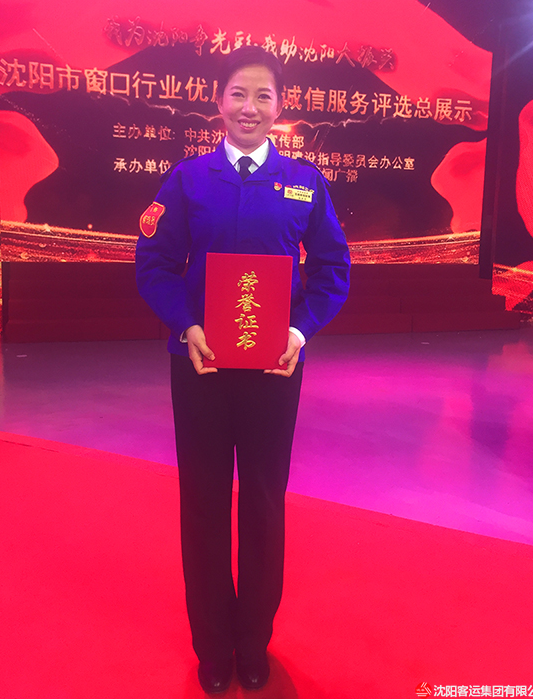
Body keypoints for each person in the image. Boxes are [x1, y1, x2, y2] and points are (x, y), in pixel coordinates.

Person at [136, 46, 350, 694]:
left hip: (273, 370)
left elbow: (333, 270)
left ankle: (253, 641)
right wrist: (186, 324)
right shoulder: (187, 179)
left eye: (263, 95)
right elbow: (154, 264)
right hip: (198, 364)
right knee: (202, 501)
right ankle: (212, 645)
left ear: (280, 106)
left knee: (261, 500)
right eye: (238, 94)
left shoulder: (304, 182)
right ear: (218, 102)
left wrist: (298, 330)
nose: (249, 107)